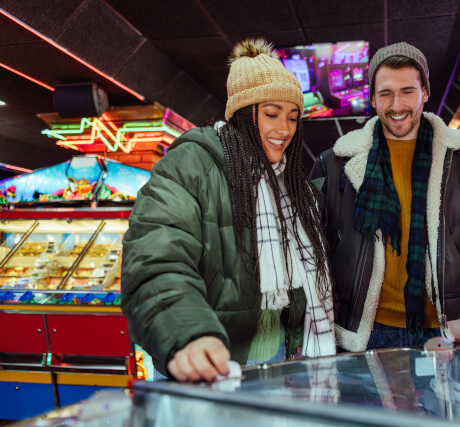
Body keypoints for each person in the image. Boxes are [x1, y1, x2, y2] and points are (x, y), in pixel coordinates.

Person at [121, 39, 336, 382]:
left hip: (283, 365)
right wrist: (188, 331)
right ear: (242, 113)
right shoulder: (191, 165)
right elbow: (155, 258)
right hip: (212, 364)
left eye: (293, 118)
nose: (284, 130)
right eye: (271, 114)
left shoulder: (295, 188)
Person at [310, 42, 460, 351]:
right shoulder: (334, 163)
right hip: (358, 335)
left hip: (436, 333)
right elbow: (315, 254)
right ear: (372, 98)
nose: (397, 105)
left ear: (425, 93)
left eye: (407, 91)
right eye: (385, 93)